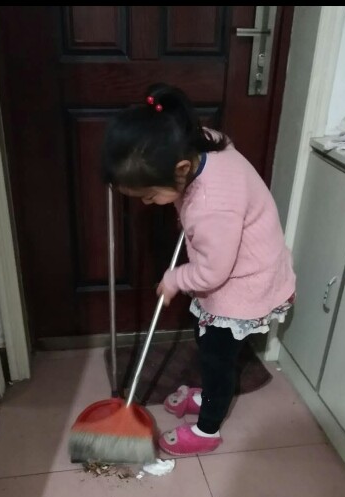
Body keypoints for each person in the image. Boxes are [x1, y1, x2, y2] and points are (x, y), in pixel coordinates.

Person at [102, 83, 296, 456]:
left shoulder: (210, 206)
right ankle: (208, 394)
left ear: (181, 168)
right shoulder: (202, 143)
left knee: (217, 360)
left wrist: (175, 278)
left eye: (150, 195)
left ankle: (207, 430)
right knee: (207, 342)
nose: (148, 203)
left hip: (242, 282)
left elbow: (212, 273)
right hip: (235, 262)